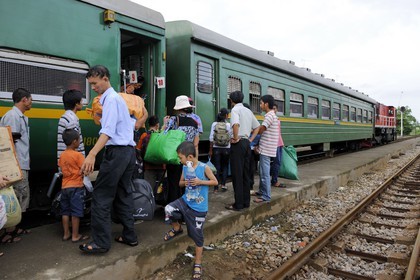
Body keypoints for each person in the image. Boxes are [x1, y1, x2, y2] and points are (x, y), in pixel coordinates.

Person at [79, 65, 137, 254]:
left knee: (101, 196)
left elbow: (108, 131)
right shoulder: (118, 100)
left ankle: (101, 243)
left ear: (105, 78)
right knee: (123, 193)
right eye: (91, 85)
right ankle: (130, 236)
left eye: (95, 83)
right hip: (128, 152)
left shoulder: (111, 100)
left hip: (117, 153)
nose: (93, 88)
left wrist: (92, 153)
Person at [163, 141, 218, 280]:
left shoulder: (204, 168)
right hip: (185, 201)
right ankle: (177, 228)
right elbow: (180, 183)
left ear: (190, 157)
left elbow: (215, 182)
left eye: (180, 157)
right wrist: (185, 182)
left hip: (198, 208)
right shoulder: (185, 167)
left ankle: (198, 263)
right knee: (168, 209)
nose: (179, 160)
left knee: (198, 237)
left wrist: (200, 182)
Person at [0, 88, 32, 235]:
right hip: (16, 164)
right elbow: (7, 144)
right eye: (30, 99)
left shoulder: (20, 117)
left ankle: (15, 229)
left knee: (22, 195)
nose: (32, 102)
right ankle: (10, 233)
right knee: (17, 196)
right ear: (24, 99)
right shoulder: (12, 117)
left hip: (22, 162)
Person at [225, 91, 260, 211]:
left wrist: (235, 138)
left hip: (238, 143)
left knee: (237, 174)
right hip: (246, 143)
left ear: (231, 101)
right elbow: (257, 127)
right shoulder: (248, 110)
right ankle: (246, 202)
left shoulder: (235, 110)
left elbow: (235, 124)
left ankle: (238, 204)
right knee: (245, 173)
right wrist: (250, 139)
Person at [163, 95, 200, 203]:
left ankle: (173, 208)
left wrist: (165, 123)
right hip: (188, 158)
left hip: (176, 156)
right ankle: (185, 208)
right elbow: (196, 143)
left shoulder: (174, 119)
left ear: (178, 108)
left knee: (174, 183)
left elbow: (165, 134)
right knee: (186, 184)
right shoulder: (194, 122)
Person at [58, 129, 89, 242]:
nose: (79, 142)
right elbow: (85, 170)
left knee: (65, 211)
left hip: (65, 187)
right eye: (79, 140)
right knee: (76, 212)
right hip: (76, 186)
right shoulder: (78, 155)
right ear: (74, 141)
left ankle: (66, 234)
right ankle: (75, 236)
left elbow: (62, 168)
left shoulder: (62, 155)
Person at [253, 95, 279, 203]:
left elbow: (261, 130)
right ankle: (261, 191)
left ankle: (266, 196)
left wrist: (250, 131)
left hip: (267, 149)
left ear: (266, 104)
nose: (260, 105)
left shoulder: (269, 116)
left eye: (261, 103)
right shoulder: (272, 115)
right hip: (267, 147)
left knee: (264, 173)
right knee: (262, 171)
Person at [57, 89, 85, 164]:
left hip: (65, 160)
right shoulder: (72, 120)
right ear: (76, 104)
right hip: (73, 163)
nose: (83, 103)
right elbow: (74, 144)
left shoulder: (65, 117)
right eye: (81, 101)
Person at [209, 108, 231, 192]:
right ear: (226, 116)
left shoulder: (214, 124)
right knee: (225, 166)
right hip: (226, 148)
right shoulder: (228, 125)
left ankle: (215, 188)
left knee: (217, 167)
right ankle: (223, 185)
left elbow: (211, 138)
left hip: (216, 148)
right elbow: (230, 137)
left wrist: (210, 150)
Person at [270, 104, 286, 188]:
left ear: (277, 110)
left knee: (277, 162)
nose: (273, 110)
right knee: (276, 163)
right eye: (272, 108)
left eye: (275, 108)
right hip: (275, 144)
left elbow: (279, 133)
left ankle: (274, 179)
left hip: (279, 143)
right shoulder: (271, 119)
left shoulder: (277, 119)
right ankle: (274, 181)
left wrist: (282, 143)